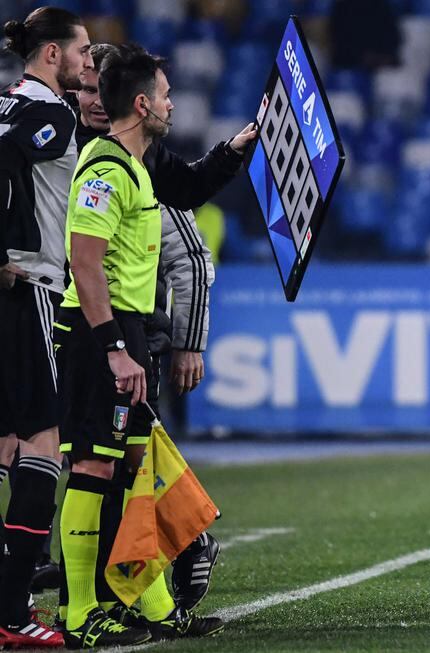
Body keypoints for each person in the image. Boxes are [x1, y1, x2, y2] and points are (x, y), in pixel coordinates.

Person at [55, 43, 226, 648]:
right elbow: (85, 263)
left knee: (135, 469)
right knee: (93, 467)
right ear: (141, 102)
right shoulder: (104, 170)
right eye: (166, 93)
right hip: (98, 334)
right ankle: (79, 615)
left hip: (124, 331)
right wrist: (113, 349)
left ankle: (152, 606)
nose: (173, 103)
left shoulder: (133, 166)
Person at [0, 6, 91, 649]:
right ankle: (13, 614)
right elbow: (5, 158)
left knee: (5, 446)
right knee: (42, 445)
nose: (89, 61)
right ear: (52, 54)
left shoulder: (2, 103)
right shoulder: (50, 115)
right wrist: (3, 248)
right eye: (82, 51)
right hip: (26, 287)